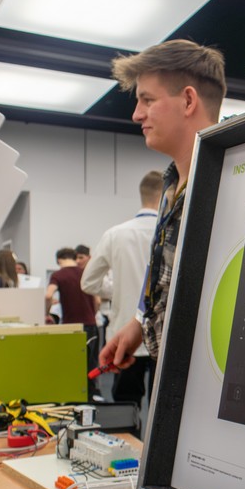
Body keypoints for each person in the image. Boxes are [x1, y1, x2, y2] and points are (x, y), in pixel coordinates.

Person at [99, 40, 226, 374]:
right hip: (166, 369)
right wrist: (138, 324)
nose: (136, 114)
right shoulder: (171, 185)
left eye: (148, 100)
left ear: (188, 100)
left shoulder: (229, 185)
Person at [81, 171, 163, 408]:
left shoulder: (115, 234)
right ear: (165, 194)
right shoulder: (173, 233)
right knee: (164, 406)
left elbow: (88, 282)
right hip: (161, 334)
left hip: (123, 335)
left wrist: (119, 289)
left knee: (126, 406)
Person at [46, 247, 101, 399]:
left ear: (59, 260)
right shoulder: (86, 273)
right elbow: (97, 300)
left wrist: (46, 313)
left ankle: (72, 398)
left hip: (71, 328)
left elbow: (48, 295)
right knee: (90, 365)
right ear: (75, 258)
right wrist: (91, 314)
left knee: (71, 366)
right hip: (90, 326)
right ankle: (91, 397)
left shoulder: (58, 275)